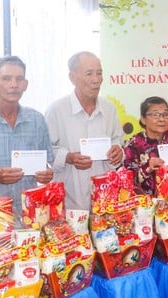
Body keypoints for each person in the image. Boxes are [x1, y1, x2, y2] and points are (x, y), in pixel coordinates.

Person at [44, 51, 124, 210]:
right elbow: (45, 151)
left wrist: (118, 151)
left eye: (99, 73)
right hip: (69, 197)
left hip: (104, 197)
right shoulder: (56, 110)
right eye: (89, 74)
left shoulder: (109, 108)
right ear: (72, 77)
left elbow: (118, 140)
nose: (96, 80)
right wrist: (68, 157)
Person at [0, 56, 54, 223]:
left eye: (19, 79)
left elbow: (48, 162)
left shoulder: (36, 119)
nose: (14, 85)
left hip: (30, 217)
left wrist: (47, 173)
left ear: (25, 85)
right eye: (6, 79)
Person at [123, 96, 168, 195]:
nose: (162, 119)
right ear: (143, 119)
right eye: (156, 115)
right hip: (145, 204)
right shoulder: (134, 143)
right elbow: (126, 181)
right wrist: (147, 168)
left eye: (165, 114)